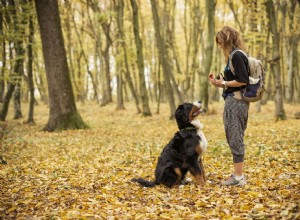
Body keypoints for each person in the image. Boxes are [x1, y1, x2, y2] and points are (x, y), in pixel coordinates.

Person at [208, 26, 249, 186]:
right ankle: (238, 175)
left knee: (235, 136)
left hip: (236, 102)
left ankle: (238, 178)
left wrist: (223, 82)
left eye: (220, 42)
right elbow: (233, 82)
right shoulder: (234, 56)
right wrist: (219, 83)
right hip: (233, 100)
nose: (220, 46)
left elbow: (243, 80)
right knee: (233, 135)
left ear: (227, 40)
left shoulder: (237, 55)